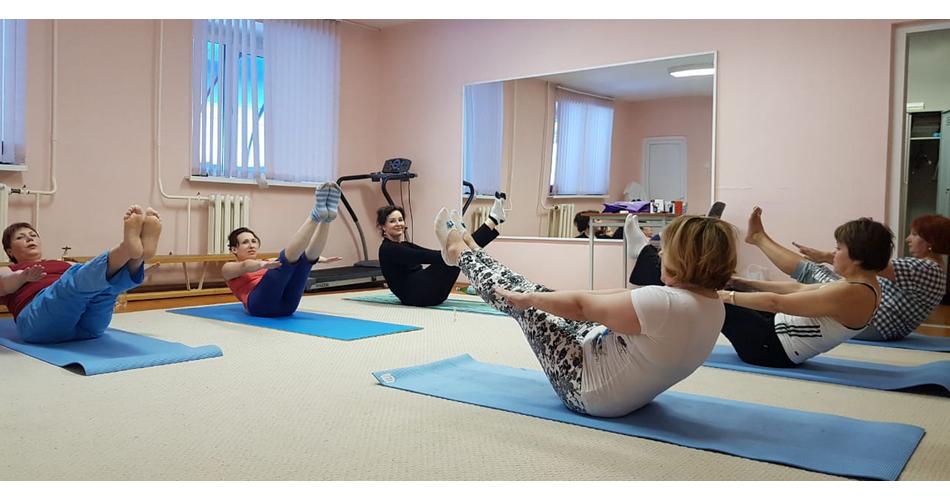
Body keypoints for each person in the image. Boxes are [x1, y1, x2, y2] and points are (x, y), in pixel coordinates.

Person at [435, 210, 737, 417]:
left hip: (584, 388)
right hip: (610, 371)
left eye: (665, 248)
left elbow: (581, 308)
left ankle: (459, 253)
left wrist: (532, 300)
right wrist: (543, 295)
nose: (660, 253)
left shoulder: (666, 303)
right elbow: (620, 296)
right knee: (536, 293)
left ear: (684, 259)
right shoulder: (712, 305)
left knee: (523, 304)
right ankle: (475, 252)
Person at [718, 207, 892, 367]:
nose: (833, 254)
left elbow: (776, 303)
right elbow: (798, 289)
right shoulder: (862, 284)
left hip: (770, 348)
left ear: (858, 258)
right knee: (732, 293)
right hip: (776, 329)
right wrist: (745, 283)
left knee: (717, 301)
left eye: (838, 249)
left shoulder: (853, 293)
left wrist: (724, 296)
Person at [0, 205, 162, 344]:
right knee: (72, 285)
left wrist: (135, 274)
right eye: (21, 237)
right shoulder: (9, 269)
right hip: (39, 324)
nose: (30, 239)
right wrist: (22, 277)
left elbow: (91, 274)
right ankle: (129, 250)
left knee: (104, 289)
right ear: (10, 251)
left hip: (89, 329)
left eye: (33, 235)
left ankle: (136, 259)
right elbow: (5, 284)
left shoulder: (61, 263)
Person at [786, 214, 948, 341]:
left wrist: (825, 256)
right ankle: (766, 241)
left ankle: (766, 240)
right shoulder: (932, 268)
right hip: (882, 325)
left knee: (812, 271)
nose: (908, 239)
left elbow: (870, 263)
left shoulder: (926, 269)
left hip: (875, 324)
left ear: (930, 242)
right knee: (817, 278)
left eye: (914, 234)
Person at [222, 182, 342, 317]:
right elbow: (245, 265)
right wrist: (263, 265)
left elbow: (297, 257)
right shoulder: (228, 268)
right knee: (282, 263)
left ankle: (327, 219)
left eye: (254, 241)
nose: (251, 245)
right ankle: (315, 216)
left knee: (305, 262)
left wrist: (318, 259)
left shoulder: (268, 262)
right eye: (245, 242)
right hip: (260, 306)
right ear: (234, 249)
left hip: (287, 307)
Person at [376, 193, 507, 307]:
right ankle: (492, 220)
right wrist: (453, 251)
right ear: (383, 226)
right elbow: (423, 256)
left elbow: (430, 253)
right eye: (392, 221)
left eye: (400, 220)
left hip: (430, 292)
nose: (398, 224)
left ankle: (493, 220)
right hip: (417, 295)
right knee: (457, 254)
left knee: (458, 254)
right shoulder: (388, 249)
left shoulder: (404, 245)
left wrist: (453, 250)